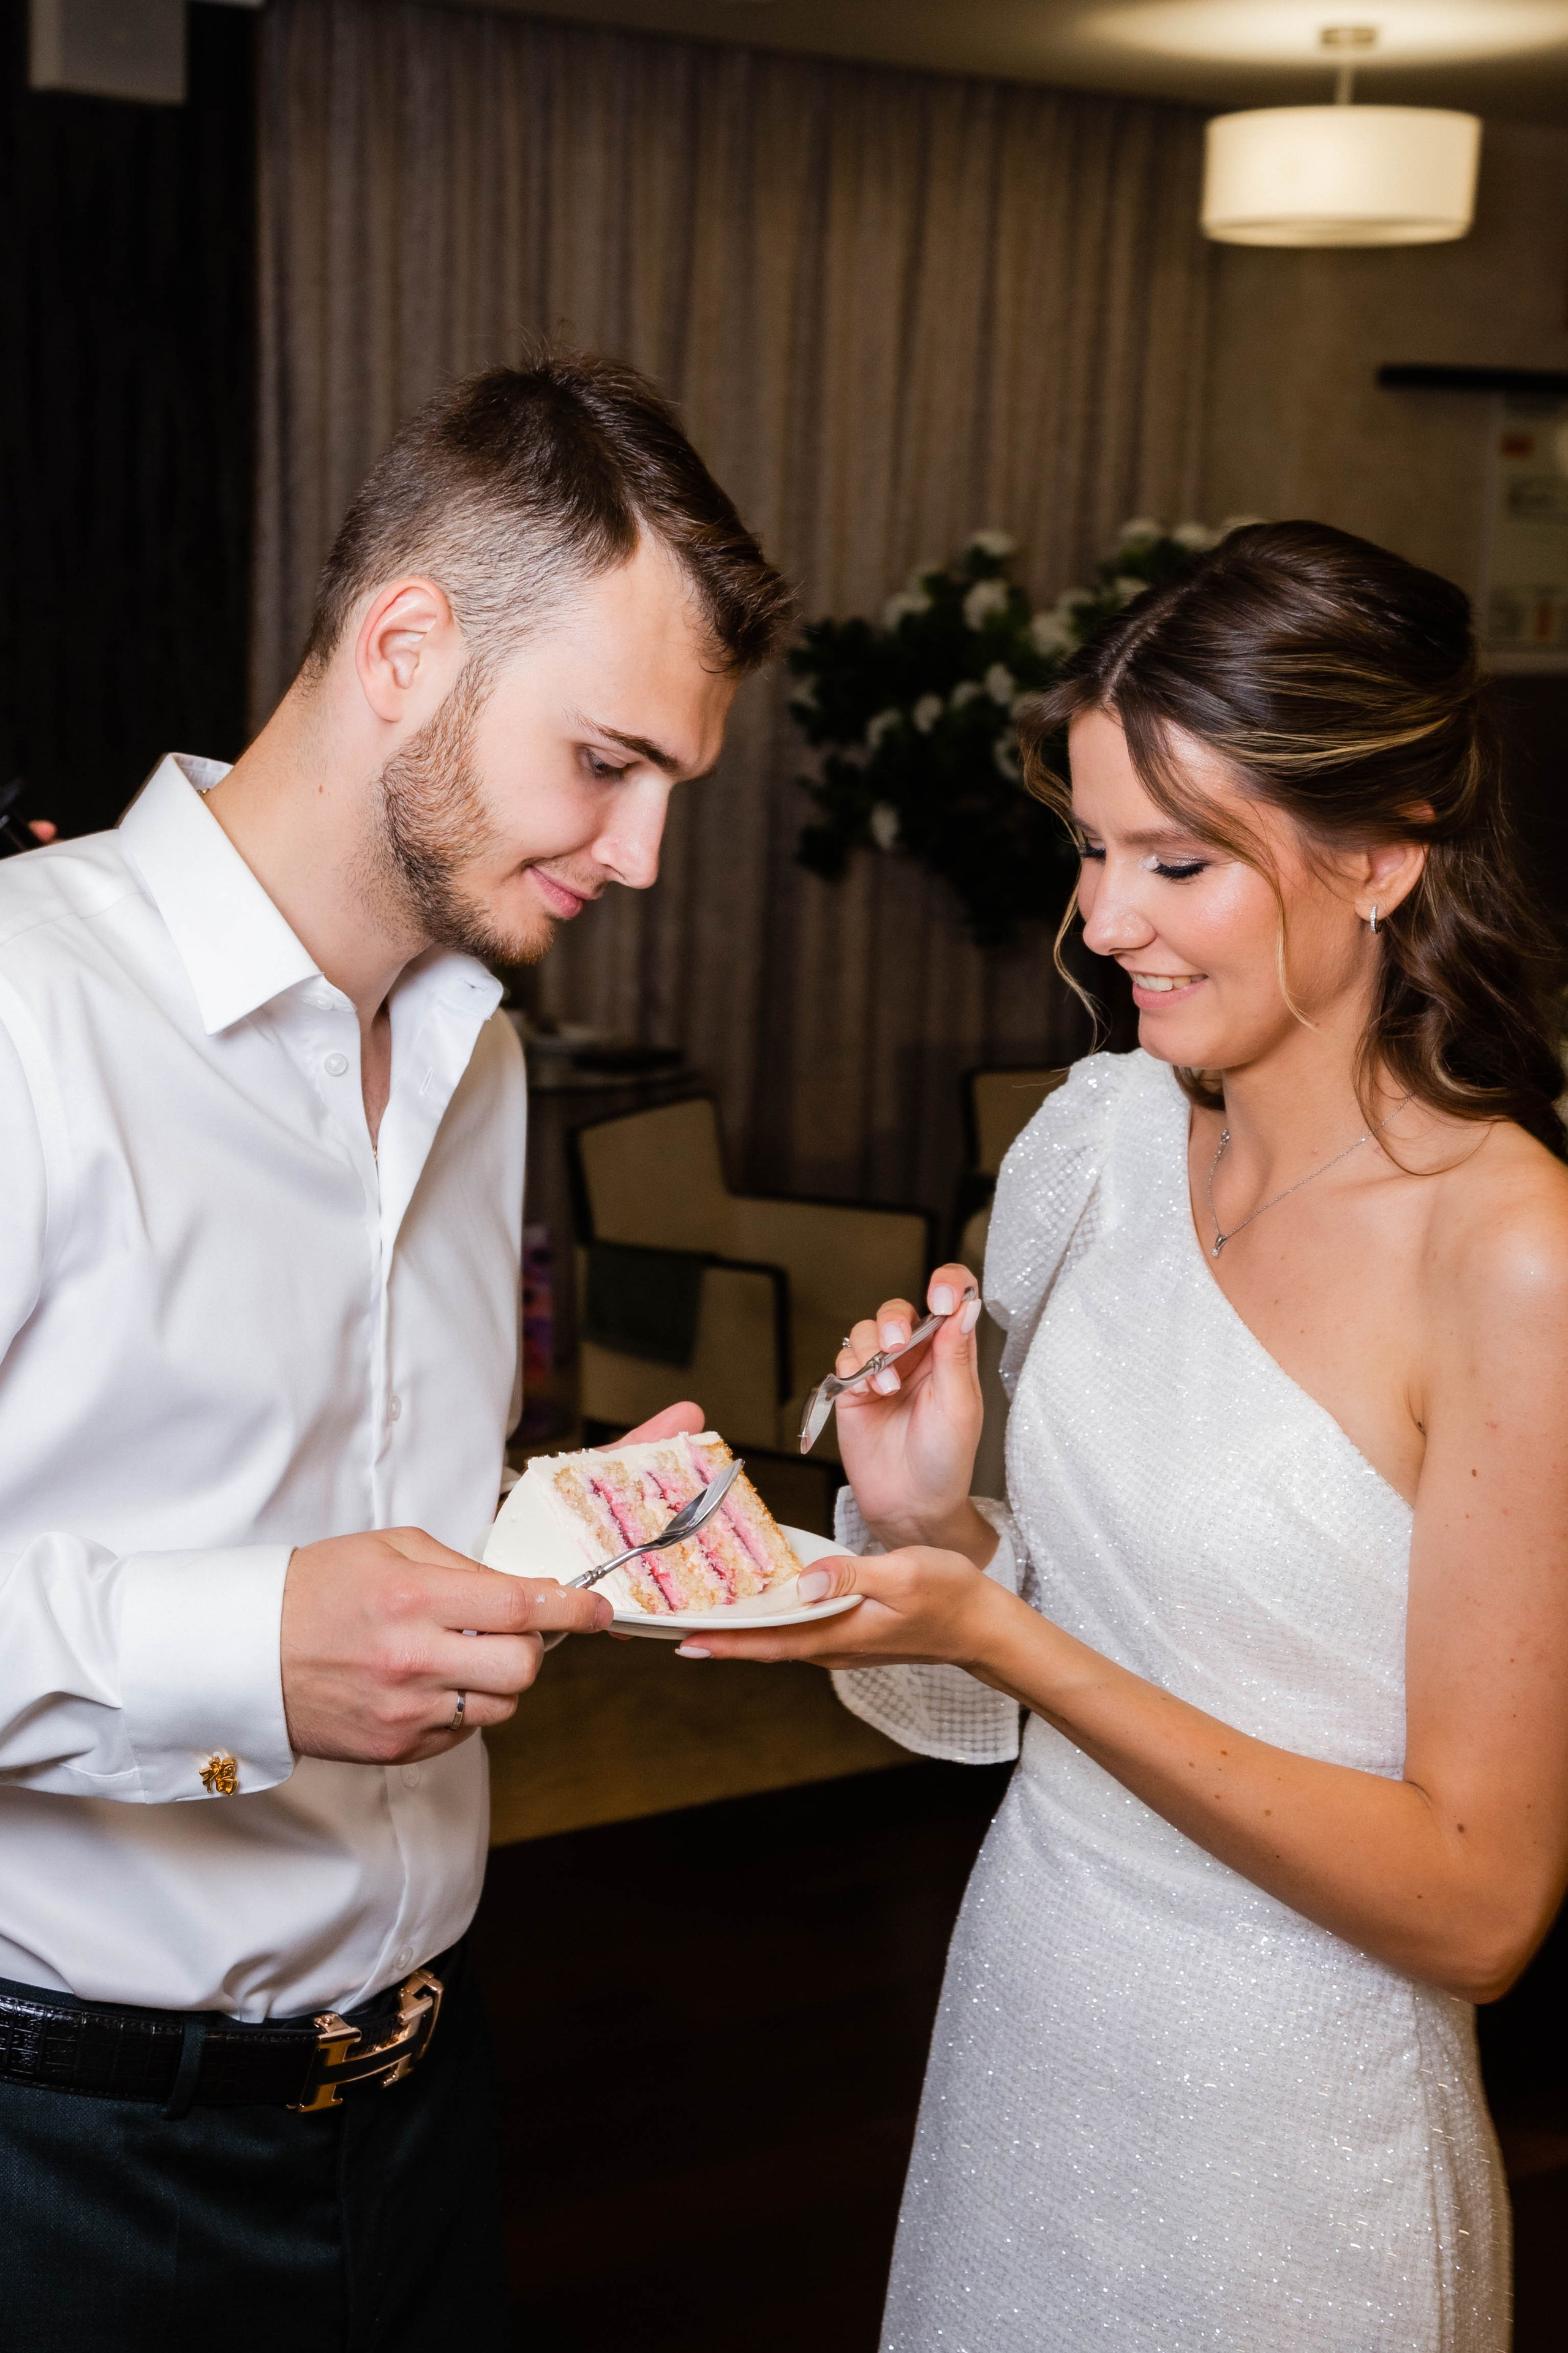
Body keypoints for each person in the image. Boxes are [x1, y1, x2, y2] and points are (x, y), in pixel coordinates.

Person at [687, 523, 1568, 2350]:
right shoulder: (1093, 1144)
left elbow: (1480, 1906)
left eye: (1180, 860)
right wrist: (934, 1520)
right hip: (1031, 2020)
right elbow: (1077, 1614)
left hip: (1294, 2136)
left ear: (1386, 851)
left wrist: (1010, 1638)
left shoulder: (1513, 1257)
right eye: (1093, 851)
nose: (1103, 922)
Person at [0, 354, 790, 2349]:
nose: (643, 854)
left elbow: (349, 1496)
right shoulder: (23, 1011)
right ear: (406, 646)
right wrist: (249, 1646)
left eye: (674, 788)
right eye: (608, 761)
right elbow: (277, 1602)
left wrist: (571, 1525)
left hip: (423, 2114)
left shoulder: (481, 1058)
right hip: (55, 2155)